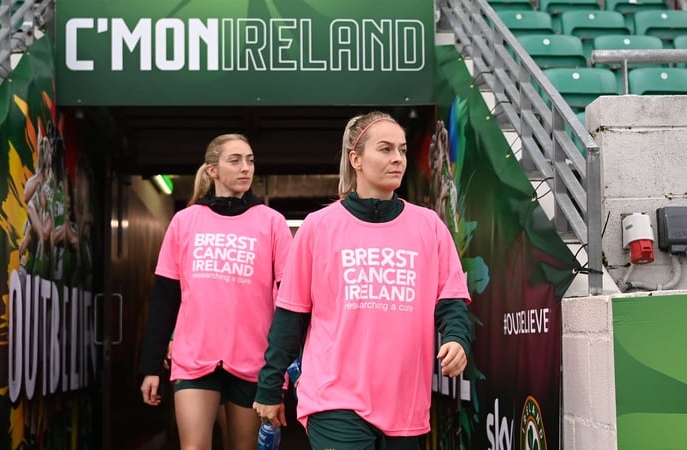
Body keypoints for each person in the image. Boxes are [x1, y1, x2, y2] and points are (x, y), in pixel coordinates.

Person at [253, 111, 472, 449]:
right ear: (355, 158)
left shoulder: (429, 226)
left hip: (405, 405)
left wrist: (457, 339)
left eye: (401, 149)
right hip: (334, 399)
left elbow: (452, 301)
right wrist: (270, 387)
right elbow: (290, 316)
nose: (397, 158)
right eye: (385, 149)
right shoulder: (318, 226)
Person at [139, 133, 293, 450]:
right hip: (194, 359)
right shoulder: (184, 222)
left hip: (253, 362)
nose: (245, 168)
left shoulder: (272, 223)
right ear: (212, 170)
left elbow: (289, 304)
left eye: (250, 160)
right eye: (234, 160)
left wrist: (280, 371)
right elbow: (164, 300)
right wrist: (150, 366)